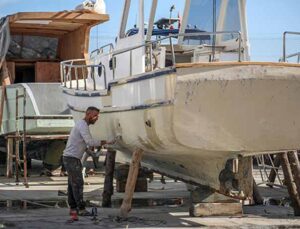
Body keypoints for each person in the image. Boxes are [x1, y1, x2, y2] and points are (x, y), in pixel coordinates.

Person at [63, 106, 101, 220]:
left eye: (97, 116)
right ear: (88, 114)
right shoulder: (82, 125)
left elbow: (81, 143)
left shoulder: (81, 124)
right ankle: (81, 209)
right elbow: (89, 141)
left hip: (70, 158)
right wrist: (105, 141)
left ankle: (73, 208)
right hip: (72, 159)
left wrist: (91, 152)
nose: (96, 118)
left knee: (72, 184)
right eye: (95, 116)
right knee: (78, 184)